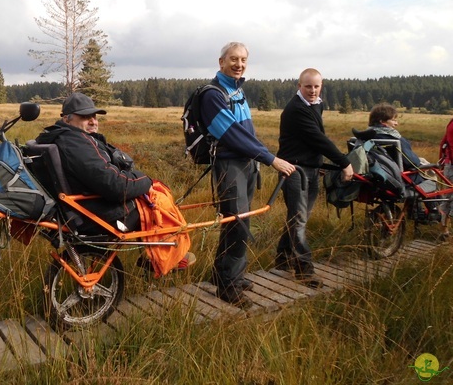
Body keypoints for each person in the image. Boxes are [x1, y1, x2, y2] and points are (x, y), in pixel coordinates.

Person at [34, 92, 195, 268]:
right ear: (67, 119)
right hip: (97, 214)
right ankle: (169, 257)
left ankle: (156, 254)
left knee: (155, 196)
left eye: (94, 117)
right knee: (158, 201)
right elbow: (116, 186)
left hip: (82, 207)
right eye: (85, 117)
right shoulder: (75, 143)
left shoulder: (63, 137)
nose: (93, 122)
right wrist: (145, 180)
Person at [199, 42, 296, 307]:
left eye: (243, 60)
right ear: (221, 62)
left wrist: (259, 157)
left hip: (246, 165)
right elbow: (232, 134)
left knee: (240, 222)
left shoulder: (237, 91)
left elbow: (247, 133)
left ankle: (229, 275)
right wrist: (270, 158)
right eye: (233, 59)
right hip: (229, 167)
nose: (239, 64)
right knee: (237, 223)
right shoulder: (213, 94)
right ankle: (228, 287)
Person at [276, 69, 353, 288]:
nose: (312, 90)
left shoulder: (316, 104)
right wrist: (344, 162)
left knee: (298, 219)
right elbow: (318, 139)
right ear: (299, 86)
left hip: (309, 168)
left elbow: (313, 140)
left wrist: (317, 163)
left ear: (321, 86)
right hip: (294, 171)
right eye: (308, 86)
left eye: (316, 86)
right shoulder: (296, 110)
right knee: (299, 220)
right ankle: (304, 271)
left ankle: (282, 259)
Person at [438, 118, 453, 241]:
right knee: (450, 199)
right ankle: (445, 231)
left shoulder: (451, 123)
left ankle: (444, 229)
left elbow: (443, 142)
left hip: (449, 165)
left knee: (448, 198)